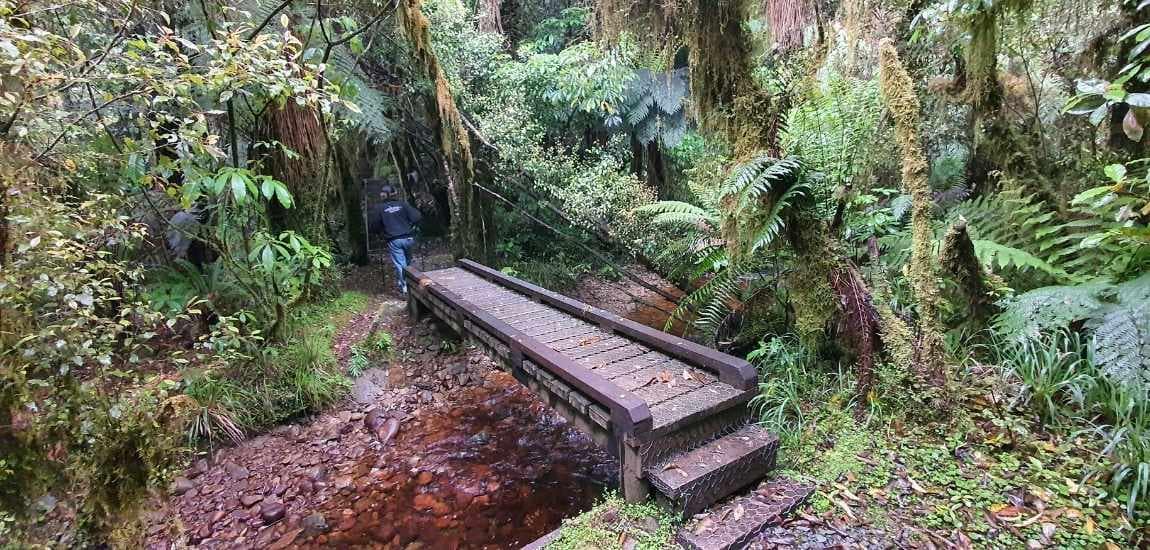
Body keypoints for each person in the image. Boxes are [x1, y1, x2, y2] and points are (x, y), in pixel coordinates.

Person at [367, 179, 422, 294]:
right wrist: (412, 225)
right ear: (394, 194)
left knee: (400, 264)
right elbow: (417, 216)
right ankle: (411, 284)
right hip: (408, 238)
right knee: (408, 262)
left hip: (394, 240)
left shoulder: (380, 208)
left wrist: (380, 233)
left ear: (383, 195)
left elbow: (373, 225)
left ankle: (406, 289)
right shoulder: (403, 204)